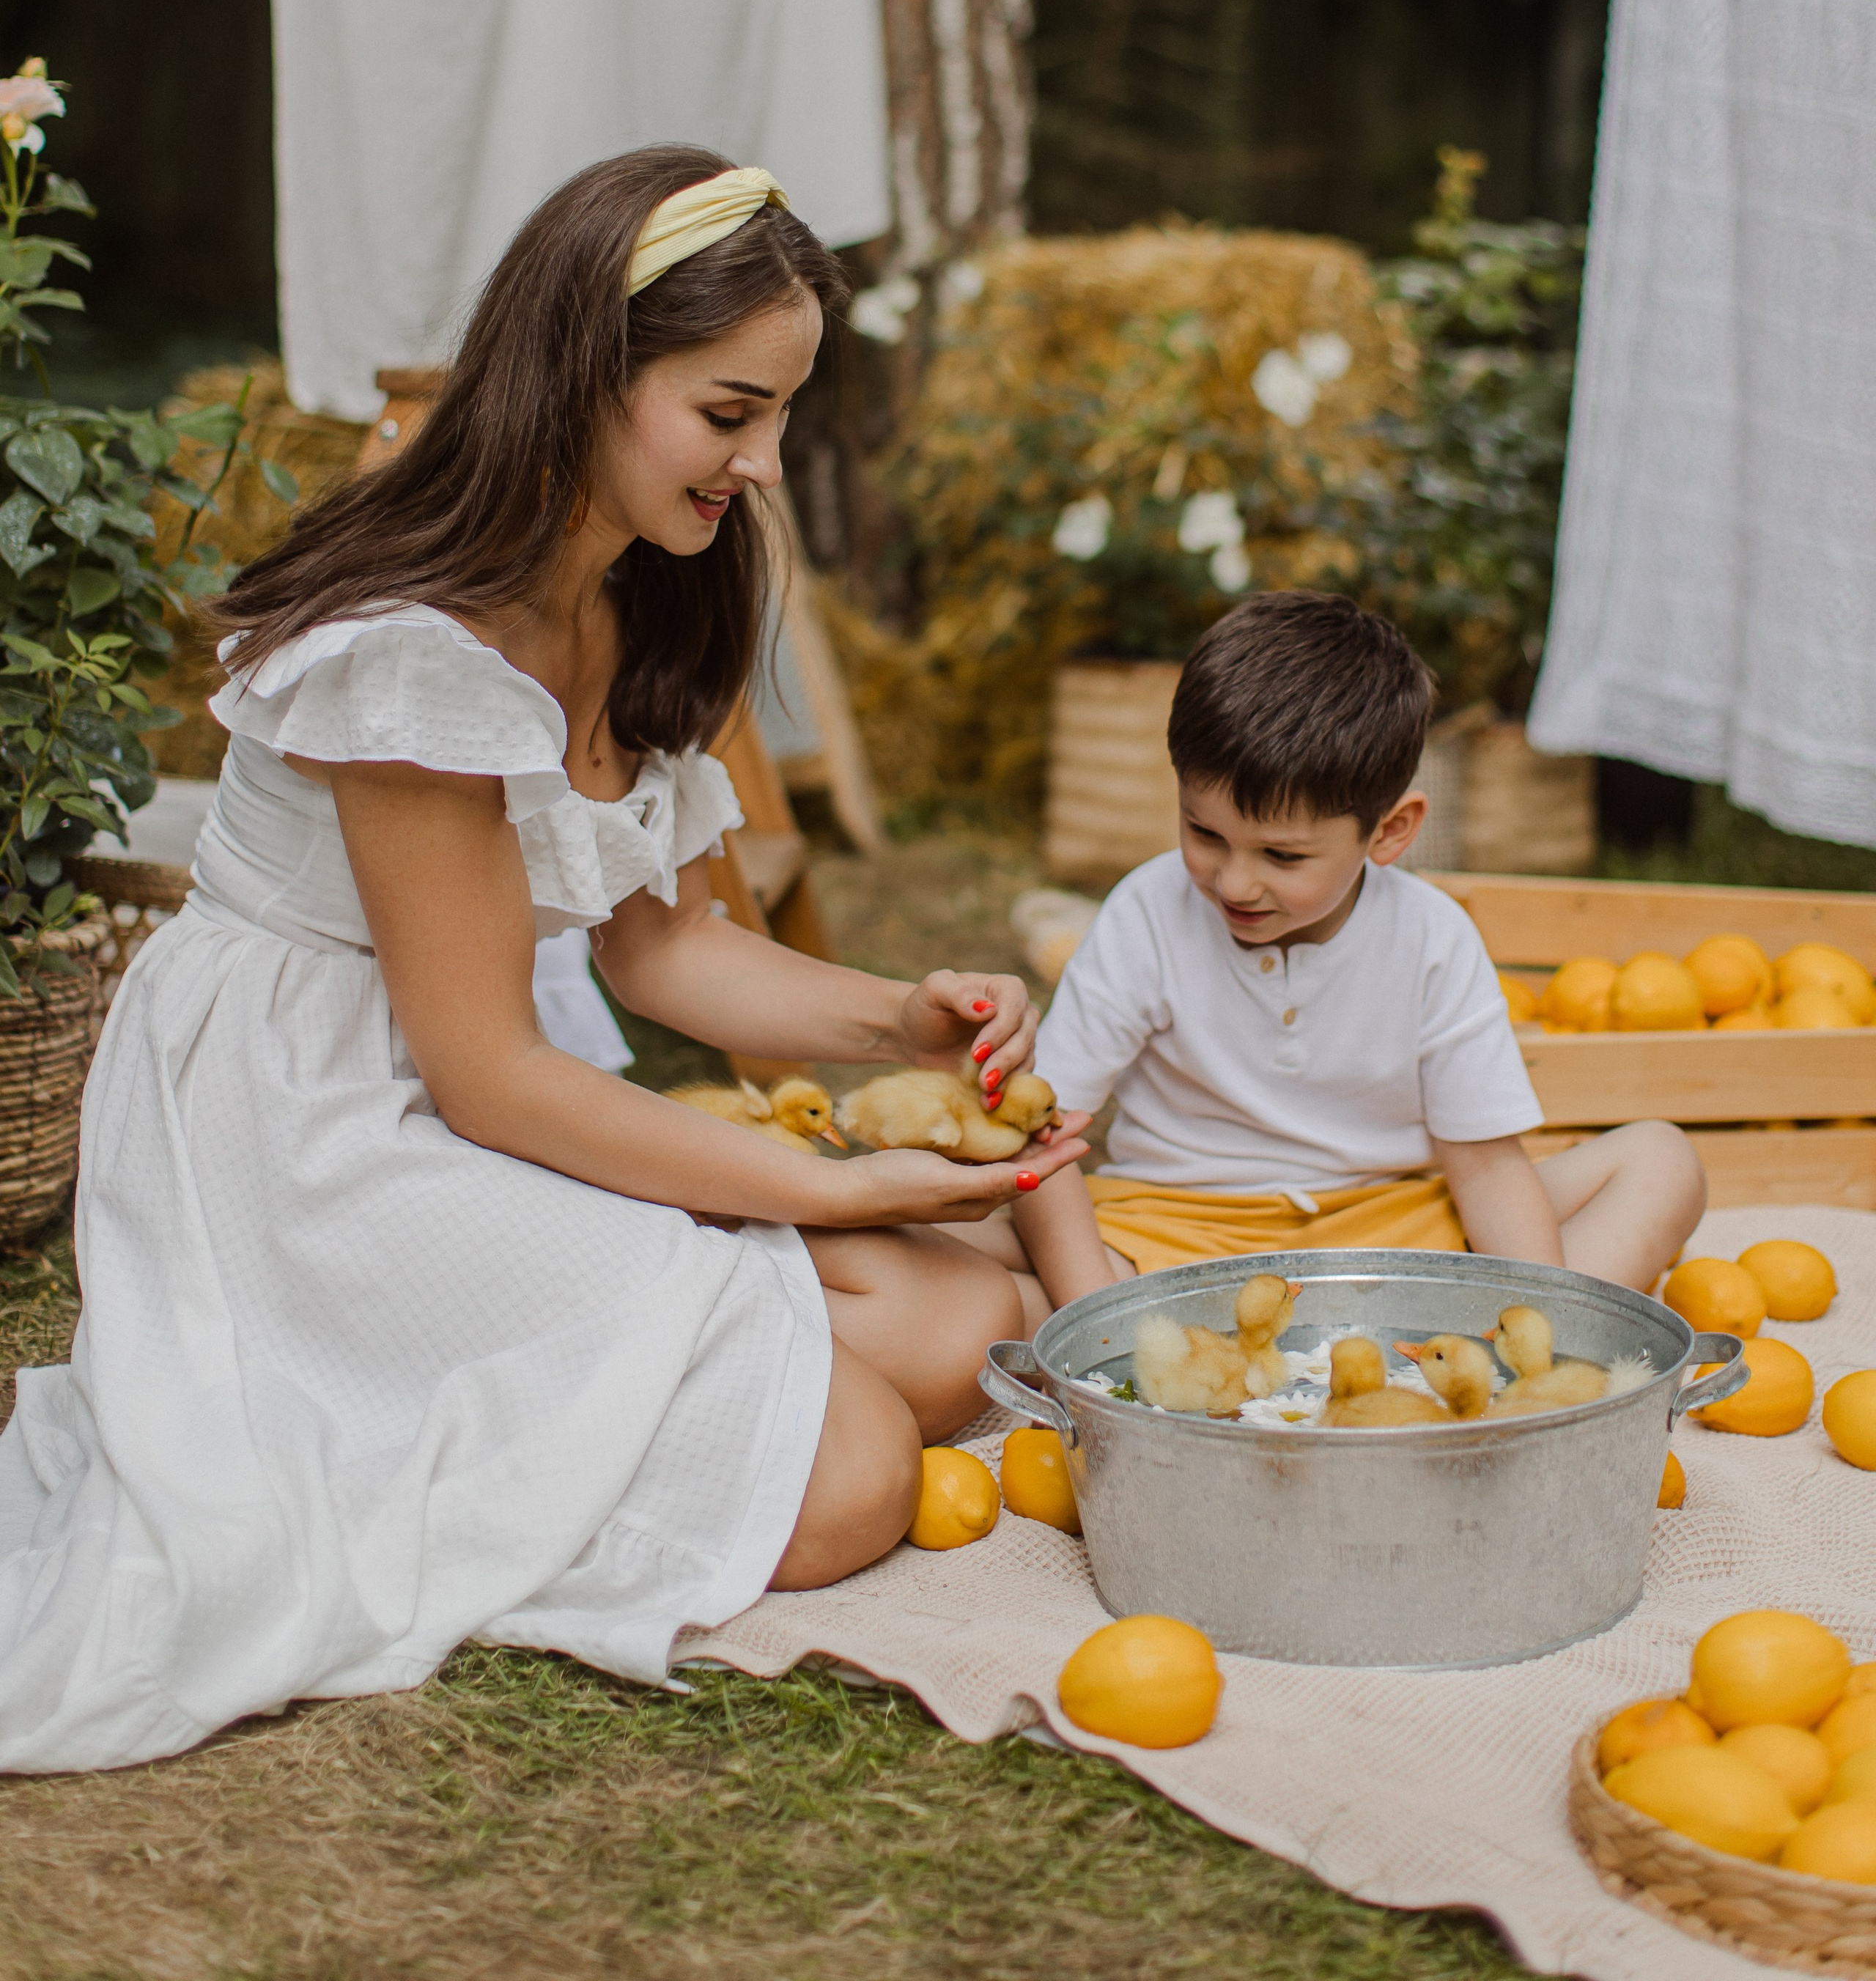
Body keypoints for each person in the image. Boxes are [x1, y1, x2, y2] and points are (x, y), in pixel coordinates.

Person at [0, 148, 1087, 1774]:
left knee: (956, 1341)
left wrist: (900, 1022)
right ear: (586, 368)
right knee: (858, 1471)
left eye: (778, 417)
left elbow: (660, 948)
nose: (767, 465)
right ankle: (360, 1432)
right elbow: (488, 1071)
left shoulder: (641, 591)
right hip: (307, 1133)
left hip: (456, 1094)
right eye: (729, 415)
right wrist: (825, 1191)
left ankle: (570, 1386)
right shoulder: (413, 655)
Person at [966, 591, 1705, 1323]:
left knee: (1659, 1162)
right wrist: (1096, 1309)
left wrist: (1532, 1319)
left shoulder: (1432, 940)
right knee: (948, 1225)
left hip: (1394, 1231)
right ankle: (1130, 1325)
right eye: (1204, 832)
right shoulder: (1147, 913)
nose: (1234, 880)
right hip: (1173, 1232)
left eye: (1281, 855)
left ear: (1389, 832)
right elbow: (1044, 1127)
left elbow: (1484, 1166)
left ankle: (1492, 1346)